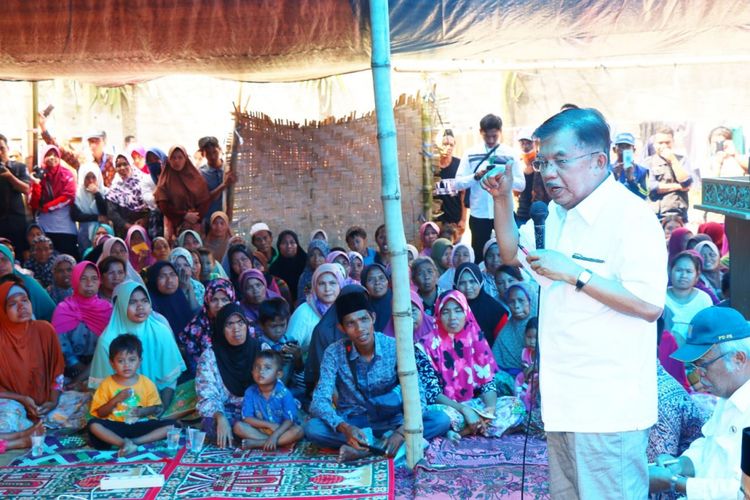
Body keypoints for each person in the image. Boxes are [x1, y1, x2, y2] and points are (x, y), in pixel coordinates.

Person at [484, 107, 667, 498]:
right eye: (542, 161)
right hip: (563, 400)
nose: (549, 173)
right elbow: (511, 252)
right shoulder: (555, 214)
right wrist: (501, 200)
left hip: (607, 408)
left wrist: (575, 273)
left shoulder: (631, 218)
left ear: (599, 160)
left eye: (560, 161)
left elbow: (650, 304)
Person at [304, 290, 451, 457]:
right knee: (312, 428)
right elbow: (319, 401)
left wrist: (402, 432)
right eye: (351, 323)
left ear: (373, 318)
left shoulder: (395, 347)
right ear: (342, 328)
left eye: (364, 319)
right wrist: (345, 428)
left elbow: (418, 395)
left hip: (393, 420)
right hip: (355, 421)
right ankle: (380, 446)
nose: (360, 329)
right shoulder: (333, 352)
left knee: (440, 420)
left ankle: (366, 449)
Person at [649, 306, 750, 498]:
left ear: (738, 359)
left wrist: (676, 483)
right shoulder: (728, 395)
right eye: (693, 366)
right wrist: (681, 464)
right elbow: (709, 445)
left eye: (703, 365)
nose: (698, 375)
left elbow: (743, 491)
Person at [421, 290, 525, 441]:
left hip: (475, 406)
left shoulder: (475, 339)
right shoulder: (426, 346)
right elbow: (433, 394)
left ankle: (466, 430)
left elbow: (487, 384)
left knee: (517, 406)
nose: (452, 317)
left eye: (458, 311)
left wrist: (490, 411)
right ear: (437, 314)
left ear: (466, 313)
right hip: (449, 408)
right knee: (439, 419)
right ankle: (473, 428)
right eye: (446, 312)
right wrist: (465, 410)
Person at [88, 282, 186, 411]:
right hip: (119, 405)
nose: (140, 307)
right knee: (96, 425)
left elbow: (169, 378)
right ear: (121, 306)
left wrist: (161, 409)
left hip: (155, 400)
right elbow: (102, 390)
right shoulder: (108, 340)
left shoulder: (160, 331)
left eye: (145, 301)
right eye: (132, 302)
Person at [452, 114, 525, 263]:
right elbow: (458, 183)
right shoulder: (470, 153)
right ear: (480, 132)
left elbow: (521, 185)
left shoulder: (509, 153)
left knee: (510, 253)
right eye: (487, 137)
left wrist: (505, 177)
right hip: (479, 213)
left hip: (504, 211)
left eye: (494, 136)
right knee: (479, 256)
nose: (491, 140)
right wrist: (475, 177)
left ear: (500, 132)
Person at [88, 334, 174, 456]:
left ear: (140, 361)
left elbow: (156, 408)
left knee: (173, 426)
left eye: (132, 360)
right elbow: (100, 413)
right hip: (116, 426)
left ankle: (131, 442)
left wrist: (141, 412)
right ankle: (123, 442)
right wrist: (115, 400)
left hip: (140, 425)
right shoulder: (106, 384)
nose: (126, 365)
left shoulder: (147, 383)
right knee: (93, 425)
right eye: (120, 361)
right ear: (112, 363)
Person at [195, 303, 262, 448]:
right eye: (229, 324)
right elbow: (206, 396)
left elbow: (273, 387)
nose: (236, 329)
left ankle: (258, 439)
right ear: (221, 329)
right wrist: (220, 417)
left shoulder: (261, 349)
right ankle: (269, 438)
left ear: (246, 325)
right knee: (211, 424)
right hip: (227, 412)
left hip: (258, 411)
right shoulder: (210, 356)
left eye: (240, 322)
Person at [52, 262, 113, 389]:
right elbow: (60, 343)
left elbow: (110, 344)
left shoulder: (107, 309)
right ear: (75, 280)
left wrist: (90, 371)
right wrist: (76, 365)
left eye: (94, 278)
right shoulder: (63, 309)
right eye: (83, 278)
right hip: (69, 370)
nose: (89, 283)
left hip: (100, 367)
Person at [233, 350, 304, 450]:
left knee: (298, 431)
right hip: (261, 429)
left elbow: (290, 420)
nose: (261, 371)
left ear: (278, 374)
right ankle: (281, 442)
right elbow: (247, 418)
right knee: (238, 427)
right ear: (252, 372)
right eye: (257, 367)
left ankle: (259, 443)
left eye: (267, 368)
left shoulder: (284, 393)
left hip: (282, 430)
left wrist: (275, 435)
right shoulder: (250, 392)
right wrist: (269, 425)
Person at [154, 145, 215, 240]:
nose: (177, 161)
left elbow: (205, 200)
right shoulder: (165, 180)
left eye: (180, 157)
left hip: (196, 222)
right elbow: (163, 205)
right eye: (173, 158)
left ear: (185, 158)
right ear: (169, 160)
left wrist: (195, 217)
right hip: (174, 224)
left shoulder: (196, 177)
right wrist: (184, 216)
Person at [29, 145, 79, 259]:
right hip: (45, 229)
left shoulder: (66, 174)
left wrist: (48, 207)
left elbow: (69, 195)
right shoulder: (39, 174)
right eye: (48, 155)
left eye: (55, 155)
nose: (52, 158)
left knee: (68, 261)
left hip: (65, 229)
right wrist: (36, 184)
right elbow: (33, 203)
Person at [178, 278, 234, 378]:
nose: (219, 305)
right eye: (214, 300)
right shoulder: (196, 328)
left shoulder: (240, 321)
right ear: (207, 301)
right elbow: (196, 366)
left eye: (225, 300)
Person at [287, 263, 343, 353]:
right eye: (321, 284)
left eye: (332, 283)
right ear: (314, 286)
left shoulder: (344, 309)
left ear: (340, 285)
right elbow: (288, 350)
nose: (327, 288)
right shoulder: (303, 312)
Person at [454, 262, 509, 347]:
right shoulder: (451, 308)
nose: (468, 287)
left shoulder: (495, 311)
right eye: (462, 283)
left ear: (480, 282)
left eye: (472, 281)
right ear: (455, 285)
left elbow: (503, 346)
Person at [664, 251, 713, 344]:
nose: (683, 275)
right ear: (670, 271)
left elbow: (707, 331)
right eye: (679, 270)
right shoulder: (661, 297)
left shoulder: (704, 299)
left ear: (697, 275)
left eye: (689, 271)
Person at [256, 298, 303, 394]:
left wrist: (298, 357)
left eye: (282, 325)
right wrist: (276, 360)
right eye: (273, 326)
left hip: (291, 389)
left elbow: (299, 371)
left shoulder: (290, 341)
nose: (278, 330)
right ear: (261, 325)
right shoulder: (258, 345)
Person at [647, 126, 693, 222]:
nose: (664, 146)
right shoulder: (648, 162)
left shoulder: (682, 160)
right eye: (660, 143)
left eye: (667, 142)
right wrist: (679, 186)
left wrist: (672, 160)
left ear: (673, 143)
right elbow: (652, 187)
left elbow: (686, 182)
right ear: (654, 144)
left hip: (677, 214)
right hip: (655, 215)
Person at [0, 243, 56, 321]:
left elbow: (51, 313)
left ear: (12, 261)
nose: (0, 265)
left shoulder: (28, 283)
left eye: (4, 260)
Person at [105, 153, 150, 238]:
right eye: (118, 165)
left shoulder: (143, 181)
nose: (122, 168)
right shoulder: (114, 188)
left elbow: (152, 205)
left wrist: (145, 220)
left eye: (125, 164)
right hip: (124, 231)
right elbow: (112, 213)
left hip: (145, 227)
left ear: (131, 164)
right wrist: (129, 226)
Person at [0, 133, 31, 253]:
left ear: (7, 149)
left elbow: (27, 189)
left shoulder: (19, 167)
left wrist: (10, 177)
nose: (0, 153)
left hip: (18, 222)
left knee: (19, 255)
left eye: (2, 148)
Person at [146, 261, 193, 339]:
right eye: (162, 276)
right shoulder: (149, 303)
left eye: (172, 274)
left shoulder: (179, 295)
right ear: (153, 279)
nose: (169, 280)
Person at [434, 130, 466, 234]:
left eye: (451, 145)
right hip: (436, 221)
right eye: (445, 144)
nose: (448, 147)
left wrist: (463, 219)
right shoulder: (432, 166)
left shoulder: (459, 165)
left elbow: (463, 194)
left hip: (455, 220)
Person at [516, 127, 550, 225]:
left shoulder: (542, 161)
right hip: (522, 213)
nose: (525, 146)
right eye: (523, 143)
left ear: (535, 144)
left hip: (539, 213)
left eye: (529, 143)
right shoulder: (517, 162)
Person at [197, 136, 235, 223]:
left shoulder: (230, 168)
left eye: (215, 152)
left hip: (230, 219)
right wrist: (224, 185)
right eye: (208, 154)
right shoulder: (201, 174)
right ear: (203, 154)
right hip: (211, 221)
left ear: (220, 150)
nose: (213, 156)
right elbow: (206, 199)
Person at [71, 162, 107, 251]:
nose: (91, 181)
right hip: (85, 233)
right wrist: (96, 217)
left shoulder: (105, 192)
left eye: (93, 177)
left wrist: (97, 194)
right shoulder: (78, 194)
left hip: (102, 232)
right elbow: (75, 215)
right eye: (87, 177)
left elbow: (105, 211)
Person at [269, 230, 307, 302]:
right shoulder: (274, 269)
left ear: (297, 245)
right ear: (279, 246)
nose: (289, 246)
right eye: (284, 243)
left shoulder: (307, 263)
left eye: (292, 242)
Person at [610, 132, 649, 199]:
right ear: (614, 150)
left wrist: (631, 180)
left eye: (627, 147)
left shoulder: (642, 171)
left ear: (633, 150)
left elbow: (645, 194)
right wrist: (614, 177)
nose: (624, 150)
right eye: (621, 146)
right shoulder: (607, 170)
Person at [169, 247, 204, 312]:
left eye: (186, 265)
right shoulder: (168, 286)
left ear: (191, 268)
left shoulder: (199, 287)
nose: (182, 269)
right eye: (177, 266)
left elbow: (197, 312)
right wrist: (183, 288)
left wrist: (189, 287)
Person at [361, 263, 392, 333]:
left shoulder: (398, 301)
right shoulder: (362, 305)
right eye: (371, 280)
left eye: (381, 278)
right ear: (364, 284)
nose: (377, 283)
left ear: (388, 281)